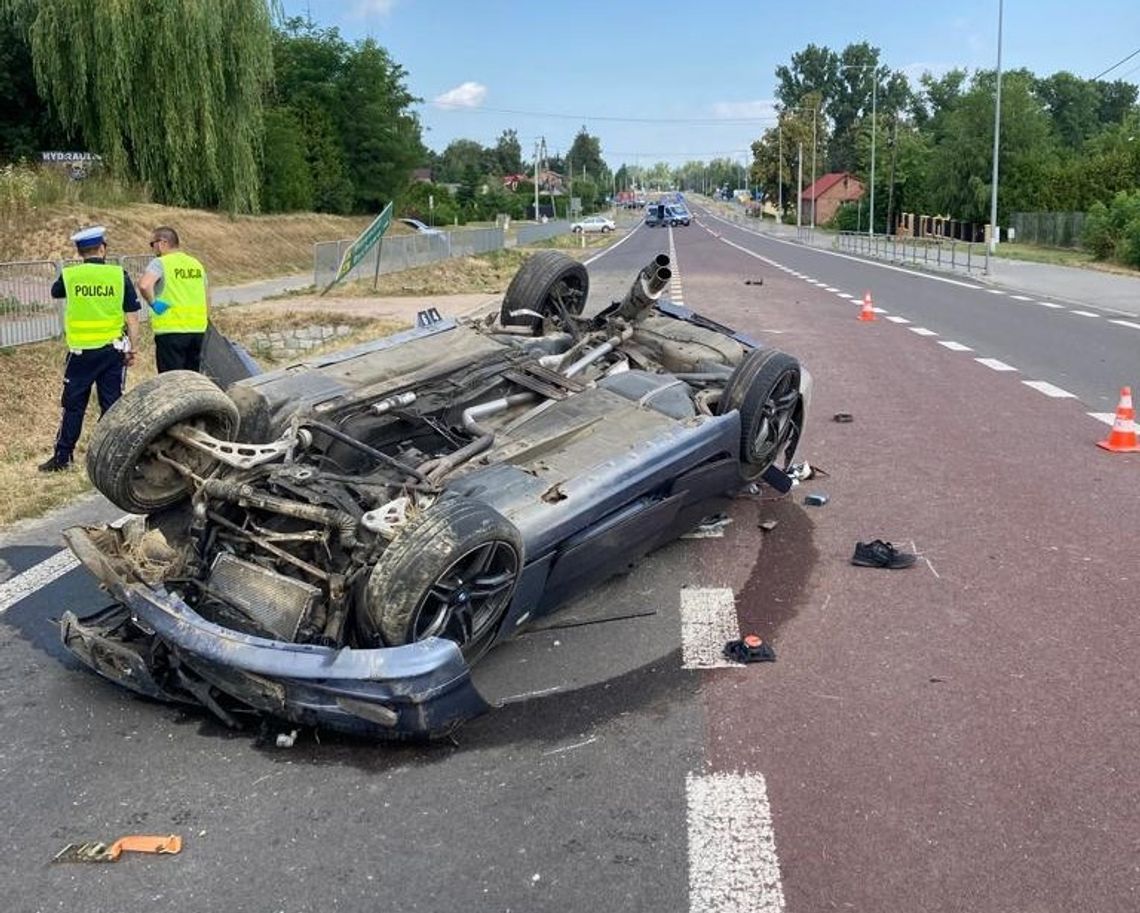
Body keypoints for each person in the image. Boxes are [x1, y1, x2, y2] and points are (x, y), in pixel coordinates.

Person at [39, 226, 141, 472]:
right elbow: (133, 317)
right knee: (112, 406)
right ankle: (115, 458)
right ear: (103, 248)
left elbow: (55, 292)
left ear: (79, 251)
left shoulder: (71, 275)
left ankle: (63, 458)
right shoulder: (119, 275)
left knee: (73, 406)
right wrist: (133, 349)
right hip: (111, 352)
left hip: (80, 354)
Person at [137, 225, 209, 372]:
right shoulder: (195, 264)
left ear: (162, 243)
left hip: (171, 331)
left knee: (172, 381)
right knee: (191, 378)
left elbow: (144, 285)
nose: (153, 249)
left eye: (153, 244)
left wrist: (154, 303)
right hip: (197, 331)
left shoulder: (161, 262)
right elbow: (207, 294)